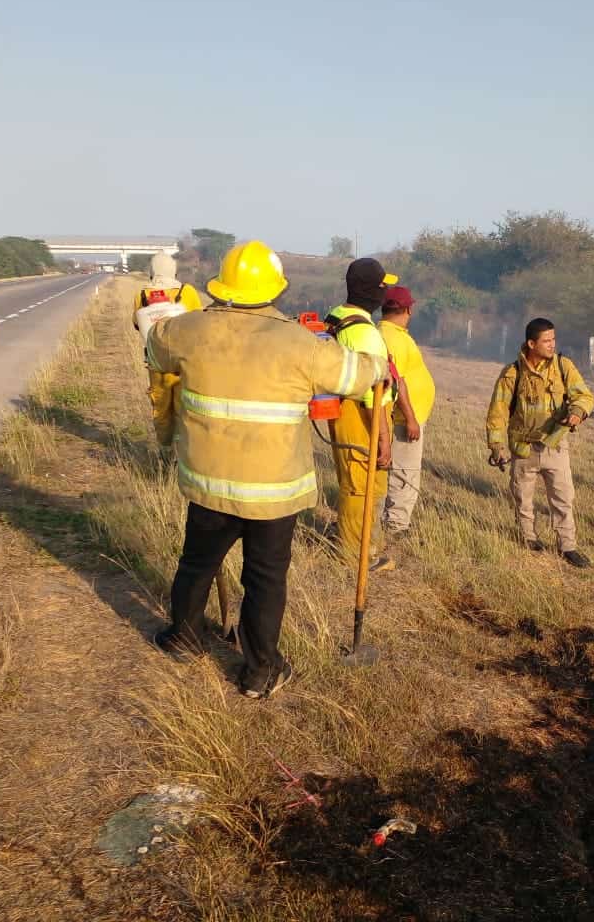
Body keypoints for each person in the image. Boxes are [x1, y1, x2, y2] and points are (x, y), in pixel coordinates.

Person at [136, 240, 387, 698]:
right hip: (273, 492)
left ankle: (185, 637)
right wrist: (361, 346)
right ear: (275, 289)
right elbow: (362, 376)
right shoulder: (300, 343)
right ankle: (259, 672)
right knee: (264, 578)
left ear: (222, 285)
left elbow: (153, 345)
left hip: (208, 484)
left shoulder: (189, 331)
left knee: (197, 564)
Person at [487, 318, 594, 568]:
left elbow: (584, 395)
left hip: (555, 446)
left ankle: (568, 546)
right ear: (531, 343)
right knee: (522, 496)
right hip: (523, 447)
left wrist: (577, 412)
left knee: (563, 497)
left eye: (553, 339)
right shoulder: (512, 373)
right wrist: (496, 446)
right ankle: (528, 538)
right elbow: (498, 411)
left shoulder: (562, 365)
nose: (552, 345)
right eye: (546, 341)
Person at [326, 257, 397, 571]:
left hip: (343, 411)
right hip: (361, 413)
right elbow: (373, 393)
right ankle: (355, 556)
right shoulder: (365, 333)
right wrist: (383, 437)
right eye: (383, 286)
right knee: (361, 484)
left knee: (357, 480)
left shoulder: (339, 316)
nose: (385, 293)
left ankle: (363, 542)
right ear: (374, 291)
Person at [132, 251, 202, 462]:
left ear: (152, 271)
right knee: (184, 409)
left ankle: (165, 453)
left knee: (161, 411)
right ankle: (183, 457)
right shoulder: (186, 291)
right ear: (173, 270)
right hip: (184, 365)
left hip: (156, 364)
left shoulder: (142, 295)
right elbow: (198, 322)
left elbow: (137, 324)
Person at [379, 285, 433, 538]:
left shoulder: (386, 333)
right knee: (405, 472)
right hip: (402, 419)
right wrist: (410, 418)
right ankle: (396, 525)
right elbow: (397, 380)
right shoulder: (395, 338)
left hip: (400, 416)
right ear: (408, 309)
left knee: (398, 469)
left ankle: (389, 520)